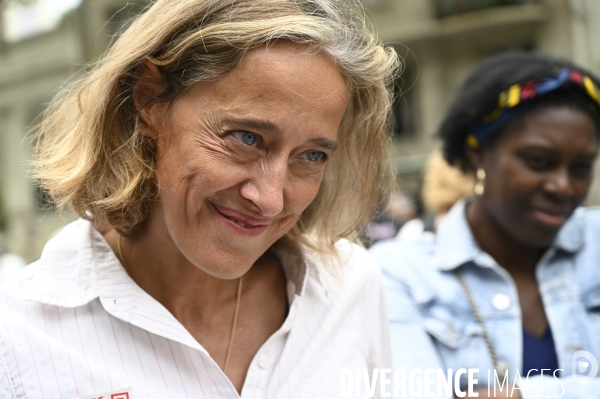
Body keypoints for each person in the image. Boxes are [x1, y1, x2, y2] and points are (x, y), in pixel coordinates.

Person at [0, 1, 399, 397]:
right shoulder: (20, 336)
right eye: (246, 138)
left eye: (312, 156)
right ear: (149, 100)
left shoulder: (349, 288)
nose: (271, 200)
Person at [371, 51, 600, 398]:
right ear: (479, 152)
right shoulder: (400, 273)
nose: (563, 186)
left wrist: (518, 394)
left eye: (581, 167)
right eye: (538, 161)